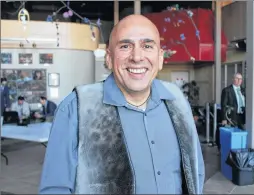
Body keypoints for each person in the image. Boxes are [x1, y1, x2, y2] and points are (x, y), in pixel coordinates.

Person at [39, 14, 205, 194]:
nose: (137, 57)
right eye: (125, 46)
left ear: (160, 58)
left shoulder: (177, 101)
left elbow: (196, 172)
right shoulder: (76, 109)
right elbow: (55, 189)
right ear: (109, 58)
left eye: (147, 46)